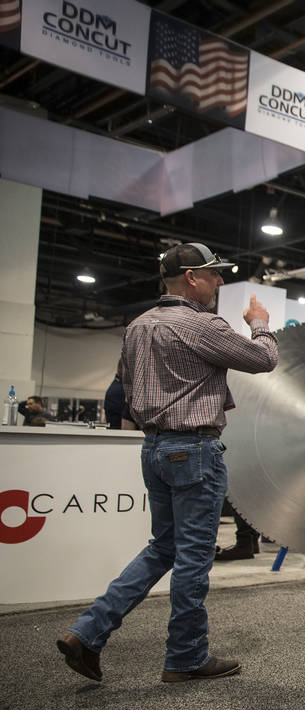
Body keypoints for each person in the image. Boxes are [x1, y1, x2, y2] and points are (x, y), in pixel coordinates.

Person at [56, 242, 278, 684]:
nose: (218, 282)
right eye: (213, 275)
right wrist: (260, 325)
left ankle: (88, 632)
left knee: (164, 548)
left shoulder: (138, 325)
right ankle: (185, 656)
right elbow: (264, 359)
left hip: (154, 448)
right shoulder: (200, 324)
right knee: (193, 557)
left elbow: (124, 386)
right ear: (192, 277)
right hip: (194, 449)